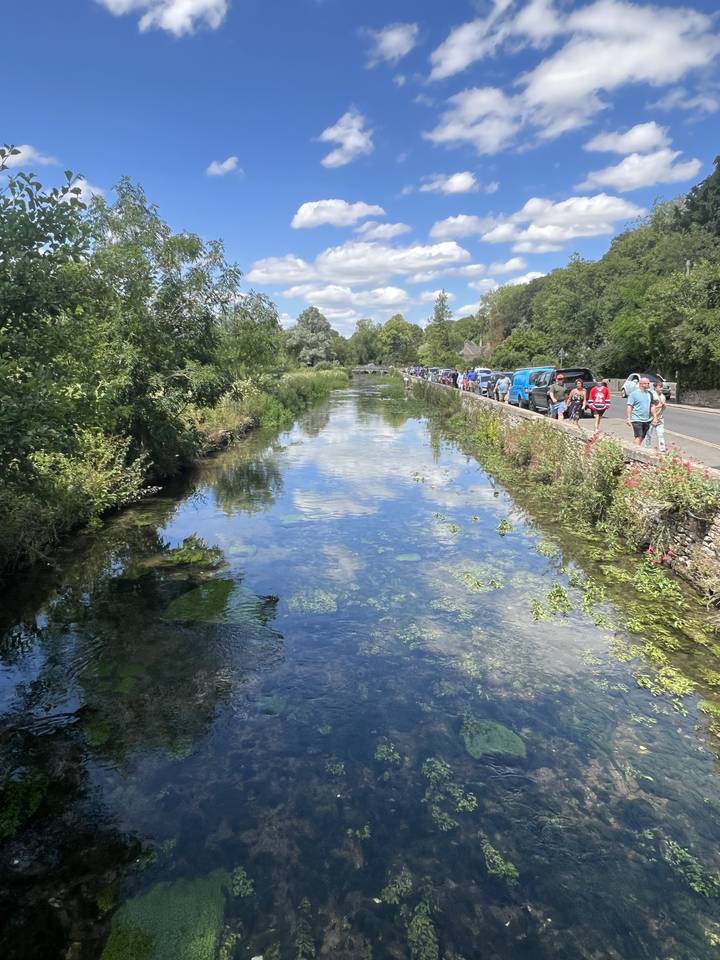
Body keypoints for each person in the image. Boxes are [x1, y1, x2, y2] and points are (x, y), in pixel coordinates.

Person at [626, 376, 658, 446]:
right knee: (638, 436)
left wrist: (655, 417)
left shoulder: (650, 394)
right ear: (641, 384)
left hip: (647, 420)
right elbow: (629, 406)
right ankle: (635, 451)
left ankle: (635, 448)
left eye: (648, 383)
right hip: (637, 419)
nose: (648, 385)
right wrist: (629, 418)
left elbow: (652, 406)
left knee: (642, 437)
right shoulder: (633, 394)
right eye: (647, 383)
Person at [645, 377, 667, 452]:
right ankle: (647, 448)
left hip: (660, 418)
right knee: (649, 435)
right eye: (660, 387)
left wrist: (664, 406)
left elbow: (663, 409)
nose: (661, 389)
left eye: (662, 387)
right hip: (650, 418)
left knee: (660, 434)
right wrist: (658, 406)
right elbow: (649, 407)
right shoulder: (651, 395)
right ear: (655, 387)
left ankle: (662, 449)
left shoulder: (663, 397)